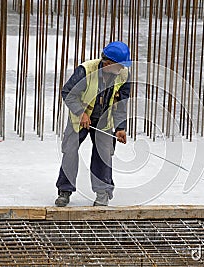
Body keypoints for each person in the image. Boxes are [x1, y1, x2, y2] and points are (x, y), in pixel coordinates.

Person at [55, 41, 131, 207]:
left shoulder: (123, 75)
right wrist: (81, 113)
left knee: (103, 155)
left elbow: (121, 103)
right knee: (70, 152)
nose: (122, 69)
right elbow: (68, 92)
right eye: (119, 66)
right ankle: (65, 191)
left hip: (104, 121)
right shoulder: (86, 70)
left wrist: (120, 128)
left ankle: (102, 192)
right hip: (80, 118)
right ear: (108, 63)